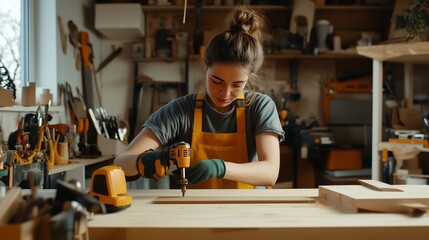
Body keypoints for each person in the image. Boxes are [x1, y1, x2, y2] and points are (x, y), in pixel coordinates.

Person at [114, 6, 285, 189]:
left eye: (237, 85)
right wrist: (148, 161)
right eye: (217, 81)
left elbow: (270, 173)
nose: (225, 93)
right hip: (193, 212)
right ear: (205, 68)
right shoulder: (181, 111)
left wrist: (220, 167)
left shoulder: (260, 106)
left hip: (247, 212)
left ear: (249, 78)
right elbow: (120, 164)